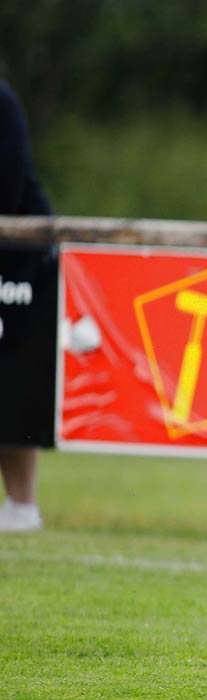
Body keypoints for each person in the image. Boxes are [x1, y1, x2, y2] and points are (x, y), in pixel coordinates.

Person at [0, 80, 52, 534]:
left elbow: (8, 189)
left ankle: (21, 505)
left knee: (12, 375)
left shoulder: (2, 102)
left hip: (17, 262)